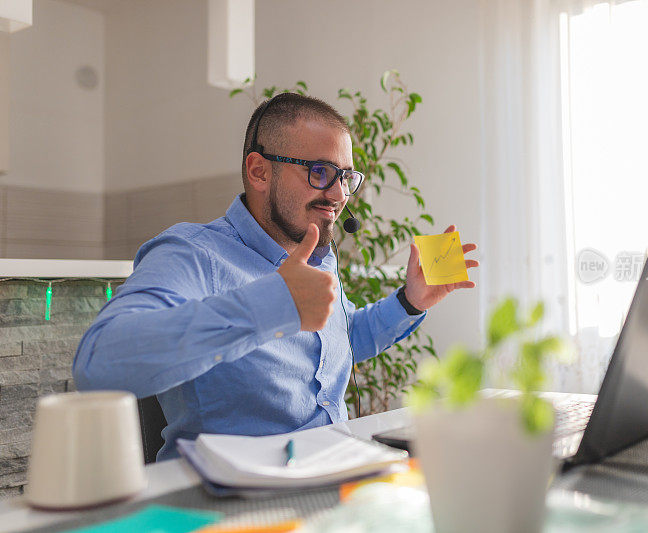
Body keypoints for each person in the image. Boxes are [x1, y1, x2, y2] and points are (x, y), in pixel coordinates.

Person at [72, 93, 479, 460]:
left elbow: (341, 338)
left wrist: (410, 301)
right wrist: (274, 305)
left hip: (329, 475)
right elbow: (98, 364)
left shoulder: (315, 253)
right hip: (230, 503)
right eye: (320, 172)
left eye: (346, 178)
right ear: (259, 172)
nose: (339, 196)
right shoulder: (193, 252)